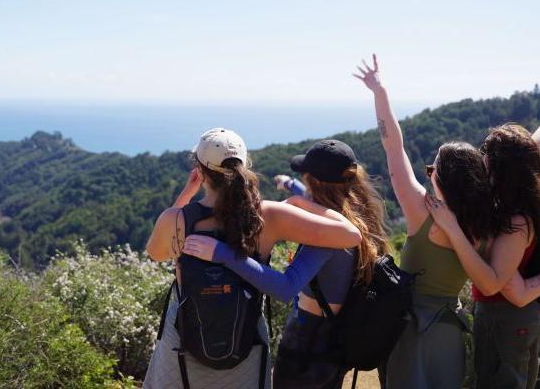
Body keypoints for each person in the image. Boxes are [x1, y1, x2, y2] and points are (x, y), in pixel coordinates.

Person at [143, 128, 361, 389]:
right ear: (244, 167)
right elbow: (351, 235)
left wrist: (186, 196)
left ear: (199, 171)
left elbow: (156, 253)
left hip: (181, 349)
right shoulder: (267, 216)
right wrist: (301, 201)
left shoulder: (175, 219)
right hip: (244, 345)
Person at [183, 139, 389, 389]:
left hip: (310, 340)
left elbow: (285, 287)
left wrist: (223, 254)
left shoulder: (325, 237)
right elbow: (318, 206)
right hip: (334, 336)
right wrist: (293, 189)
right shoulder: (357, 214)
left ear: (313, 181)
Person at [353, 54, 498, 389]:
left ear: (441, 180)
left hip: (410, 326)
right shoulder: (485, 222)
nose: (428, 174)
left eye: (432, 170)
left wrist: (379, 92)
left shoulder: (423, 212)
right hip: (450, 328)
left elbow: (393, 147)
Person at [426, 124, 540, 389]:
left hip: (506, 318)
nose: (482, 157)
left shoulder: (516, 220)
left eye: (486, 152)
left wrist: (452, 228)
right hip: (509, 316)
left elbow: (493, 283)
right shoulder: (513, 206)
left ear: (499, 165)